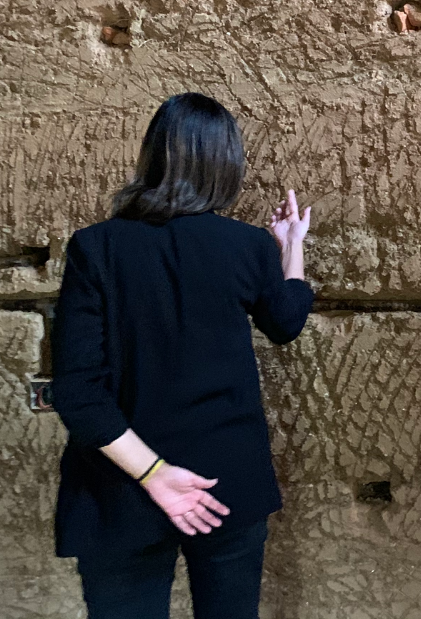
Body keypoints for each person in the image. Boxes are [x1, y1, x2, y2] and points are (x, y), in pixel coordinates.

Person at [52, 92, 314, 619]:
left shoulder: (94, 247)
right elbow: (285, 321)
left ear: (152, 155)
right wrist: (291, 247)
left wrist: (153, 474)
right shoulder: (246, 246)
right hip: (227, 480)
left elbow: (78, 392)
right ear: (226, 164)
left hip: (121, 484)